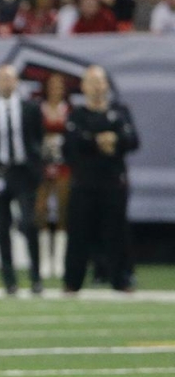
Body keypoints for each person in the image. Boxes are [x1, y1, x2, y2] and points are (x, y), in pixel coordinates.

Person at [62, 65, 139, 293]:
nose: (97, 87)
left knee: (116, 232)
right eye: (92, 82)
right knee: (79, 233)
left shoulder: (120, 111)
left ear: (107, 85)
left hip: (113, 181)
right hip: (84, 182)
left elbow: (133, 140)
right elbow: (71, 146)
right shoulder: (77, 114)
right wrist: (97, 142)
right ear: (83, 86)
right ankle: (72, 281)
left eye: (100, 81)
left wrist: (115, 140)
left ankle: (121, 279)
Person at [0, 64, 44, 295]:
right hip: (0, 172)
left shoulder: (30, 108)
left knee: (29, 223)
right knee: (2, 227)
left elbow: (37, 137)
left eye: (10, 78)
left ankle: (36, 276)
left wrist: (36, 169)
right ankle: (10, 281)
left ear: (17, 82)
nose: (6, 83)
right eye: (2, 78)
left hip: (24, 172)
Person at [35, 73, 71, 280]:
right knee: (40, 210)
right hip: (42, 164)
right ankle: (43, 261)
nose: (56, 89)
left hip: (63, 164)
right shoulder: (38, 108)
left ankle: (59, 260)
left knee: (63, 210)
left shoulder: (69, 109)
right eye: (52, 85)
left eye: (59, 85)